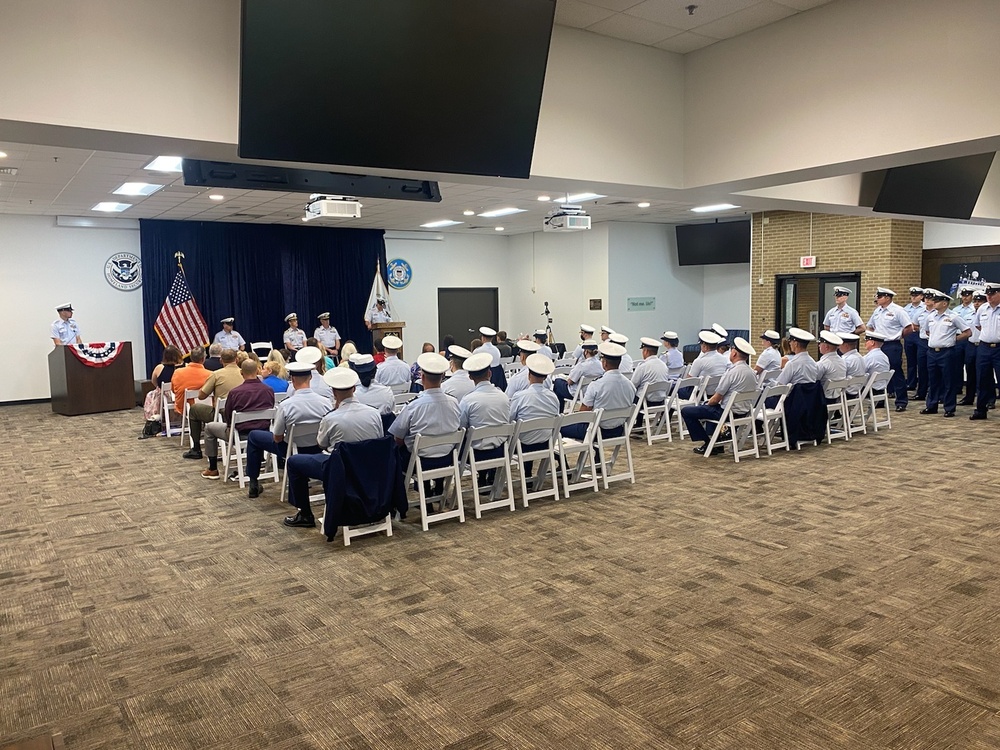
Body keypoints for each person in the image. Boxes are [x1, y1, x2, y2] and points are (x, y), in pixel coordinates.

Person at [283, 368, 384, 528]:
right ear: (354, 389)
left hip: (339, 469)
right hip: (368, 467)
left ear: (333, 392)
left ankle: (305, 514)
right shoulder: (374, 413)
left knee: (294, 462)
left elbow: (321, 444)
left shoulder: (331, 418)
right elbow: (378, 440)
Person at [245, 360, 331, 498]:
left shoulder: (286, 406)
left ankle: (253, 483)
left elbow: (277, 438)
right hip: (318, 447)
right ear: (310, 377)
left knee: (254, 436)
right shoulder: (326, 402)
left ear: (292, 379)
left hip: (291, 449)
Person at [389, 352, 460, 503]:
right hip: (447, 458)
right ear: (442, 377)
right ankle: (439, 487)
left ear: (422, 378)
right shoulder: (454, 403)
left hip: (420, 461)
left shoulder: (414, 405)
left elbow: (398, 437)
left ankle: (421, 493)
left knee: (399, 450)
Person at [198, 359, 275, 479]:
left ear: (241, 373)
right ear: (257, 371)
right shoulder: (269, 390)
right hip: (264, 433)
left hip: (239, 433)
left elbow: (228, 418)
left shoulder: (235, 393)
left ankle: (212, 469)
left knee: (209, 427)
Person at [682, 337, 759, 455]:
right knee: (710, 409)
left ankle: (709, 443)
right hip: (743, 412)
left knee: (687, 411)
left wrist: (706, 403)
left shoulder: (732, 372)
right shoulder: (752, 373)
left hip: (727, 413)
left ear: (734, 353)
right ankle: (716, 443)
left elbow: (716, 398)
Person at [560, 341, 636, 440]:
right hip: (618, 431)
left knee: (558, 427)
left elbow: (583, 414)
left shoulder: (597, 385)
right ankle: (597, 454)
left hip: (596, 431)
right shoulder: (630, 385)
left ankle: (559, 456)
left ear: (604, 363)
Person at [458, 352, 511, 487]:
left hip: (476, 454)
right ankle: (489, 475)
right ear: (490, 373)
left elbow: (461, 427)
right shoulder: (504, 397)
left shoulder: (468, 400)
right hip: (501, 450)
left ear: (470, 376)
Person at [181, 349, 245, 460]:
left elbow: (201, 396)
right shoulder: (244, 373)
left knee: (194, 409)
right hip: (242, 413)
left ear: (221, 360)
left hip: (222, 414)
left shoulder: (216, 374)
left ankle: (196, 448)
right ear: (237, 359)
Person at [509, 353, 560, 481]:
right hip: (546, 442)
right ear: (545, 377)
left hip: (523, 445)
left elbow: (509, 419)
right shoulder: (553, 397)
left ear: (529, 375)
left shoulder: (520, 396)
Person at [921, 289, 970, 417]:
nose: (934, 303)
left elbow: (967, 332)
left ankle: (949, 408)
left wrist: (954, 339)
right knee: (933, 380)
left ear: (944, 303)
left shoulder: (953, 317)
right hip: (932, 352)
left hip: (947, 352)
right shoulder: (930, 316)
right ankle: (931, 405)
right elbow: (927, 331)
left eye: (937, 301)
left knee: (949, 381)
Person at [867, 287, 914, 412]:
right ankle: (880, 399)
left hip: (892, 344)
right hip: (878, 345)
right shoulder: (877, 311)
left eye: (880, 296)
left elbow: (909, 327)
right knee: (878, 372)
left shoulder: (898, 310)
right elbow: (870, 326)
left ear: (887, 297)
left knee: (896, 372)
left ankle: (901, 401)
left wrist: (898, 335)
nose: (877, 298)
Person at [971, 282, 1000, 420]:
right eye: (988, 294)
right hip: (984, 347)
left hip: (999, 348)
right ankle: (980, 410)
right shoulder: (983, 308)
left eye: (992, 294)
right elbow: (978, 326)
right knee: (982, 380)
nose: (989, 297)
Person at [553, 339, 601, 412]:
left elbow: (570, 382)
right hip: (589, 393)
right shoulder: (600, 365)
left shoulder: (582, 365)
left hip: (576, 393)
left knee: (557, 382)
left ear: (586, 351)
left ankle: (559, 411)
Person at [961, 289, 987, 406]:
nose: (977, 303)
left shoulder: (987, 313)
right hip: (971, 345)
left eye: (980, 301)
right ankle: (969, 397)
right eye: (975, 301)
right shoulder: (968, 315)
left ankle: (989, 399)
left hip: (982, 345)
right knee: (970, 372)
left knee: (984, 374)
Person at [170, 346, 212, 417]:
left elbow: (173, 390)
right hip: (207, 409)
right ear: (203, 359)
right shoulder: (211, 375)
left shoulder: (177, 372)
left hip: (183, 409)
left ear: (191, 358)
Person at [953, 286, 977, 403]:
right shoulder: (957, 309)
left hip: (969, 339)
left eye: (967, 295)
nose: (965, 297)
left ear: (971, 296)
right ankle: (958, 387)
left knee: (970, 366)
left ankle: (972, 390)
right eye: (963, 295)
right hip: (958, 338)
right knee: (957, 365)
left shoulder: (975, 309)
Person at [631, 337, 670, 404]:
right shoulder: (664, 366)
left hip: (643, 402)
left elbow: (632, 385)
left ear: (646, 351)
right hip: (660, 402)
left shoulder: (643, 366)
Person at [902, 287, 925, 392]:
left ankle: (923, 384)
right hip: (909, 336)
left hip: (920, 335)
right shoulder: (906, 308)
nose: (914, 298)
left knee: (922, 361)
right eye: (912, 295)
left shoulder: (925, 308)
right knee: (911, 361)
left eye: (916, 296)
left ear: (921, 296)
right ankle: (911, 383)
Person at [815, 331, 846, 402]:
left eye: (820, 343)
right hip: (836, 398)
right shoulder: (842, 361)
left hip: (823, 399)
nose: (819, 345)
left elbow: (813, 379)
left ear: (826, 347)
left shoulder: (823, 363)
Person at [473, 326, 506, 391]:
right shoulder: (497, 350)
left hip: (482, 377)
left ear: (483, 338)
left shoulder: (477, 351)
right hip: (497, 378)